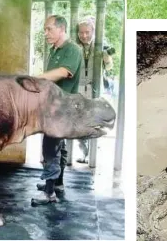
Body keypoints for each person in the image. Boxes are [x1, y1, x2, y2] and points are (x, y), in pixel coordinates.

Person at [31, 14, 83, 206]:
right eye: (45, 29)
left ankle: (49, 193)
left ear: (61, 29)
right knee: (58, 147)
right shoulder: (55, 50)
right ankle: (58, 183)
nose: (46, 33)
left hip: (61, 108)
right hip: (54, 105)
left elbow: (64, 72)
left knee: (50, 147)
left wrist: (37, 78)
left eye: (49, 29)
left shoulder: (72, 49)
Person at [75, 17, 115, 163]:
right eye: (81, 32)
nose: (84, 36)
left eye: (87, 32)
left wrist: (106, 58)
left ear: (93, 31)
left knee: (94, 124)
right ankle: (85, 153)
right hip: (79, 92)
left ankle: (93, 156)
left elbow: (110, 67)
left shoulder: (101, 45)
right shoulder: (74, 46)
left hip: (95, 91)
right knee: (79, 126)